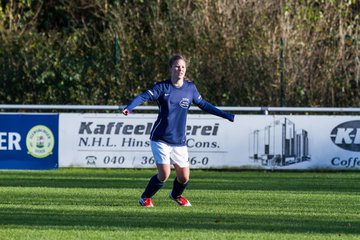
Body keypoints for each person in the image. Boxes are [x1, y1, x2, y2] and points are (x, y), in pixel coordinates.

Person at [122, 54, 235, 207]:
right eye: (177, 66)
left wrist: (225, 115)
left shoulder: (190, 88)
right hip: (160, 138)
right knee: (164, 174)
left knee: (184, 178)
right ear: (171, 69)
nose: (180, 69)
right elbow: (143, 96)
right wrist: (129, 107)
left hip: (179, 141)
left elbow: (205, 105)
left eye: (182, 67)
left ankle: (176, 195)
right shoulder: (162, 87)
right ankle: (145, 198)